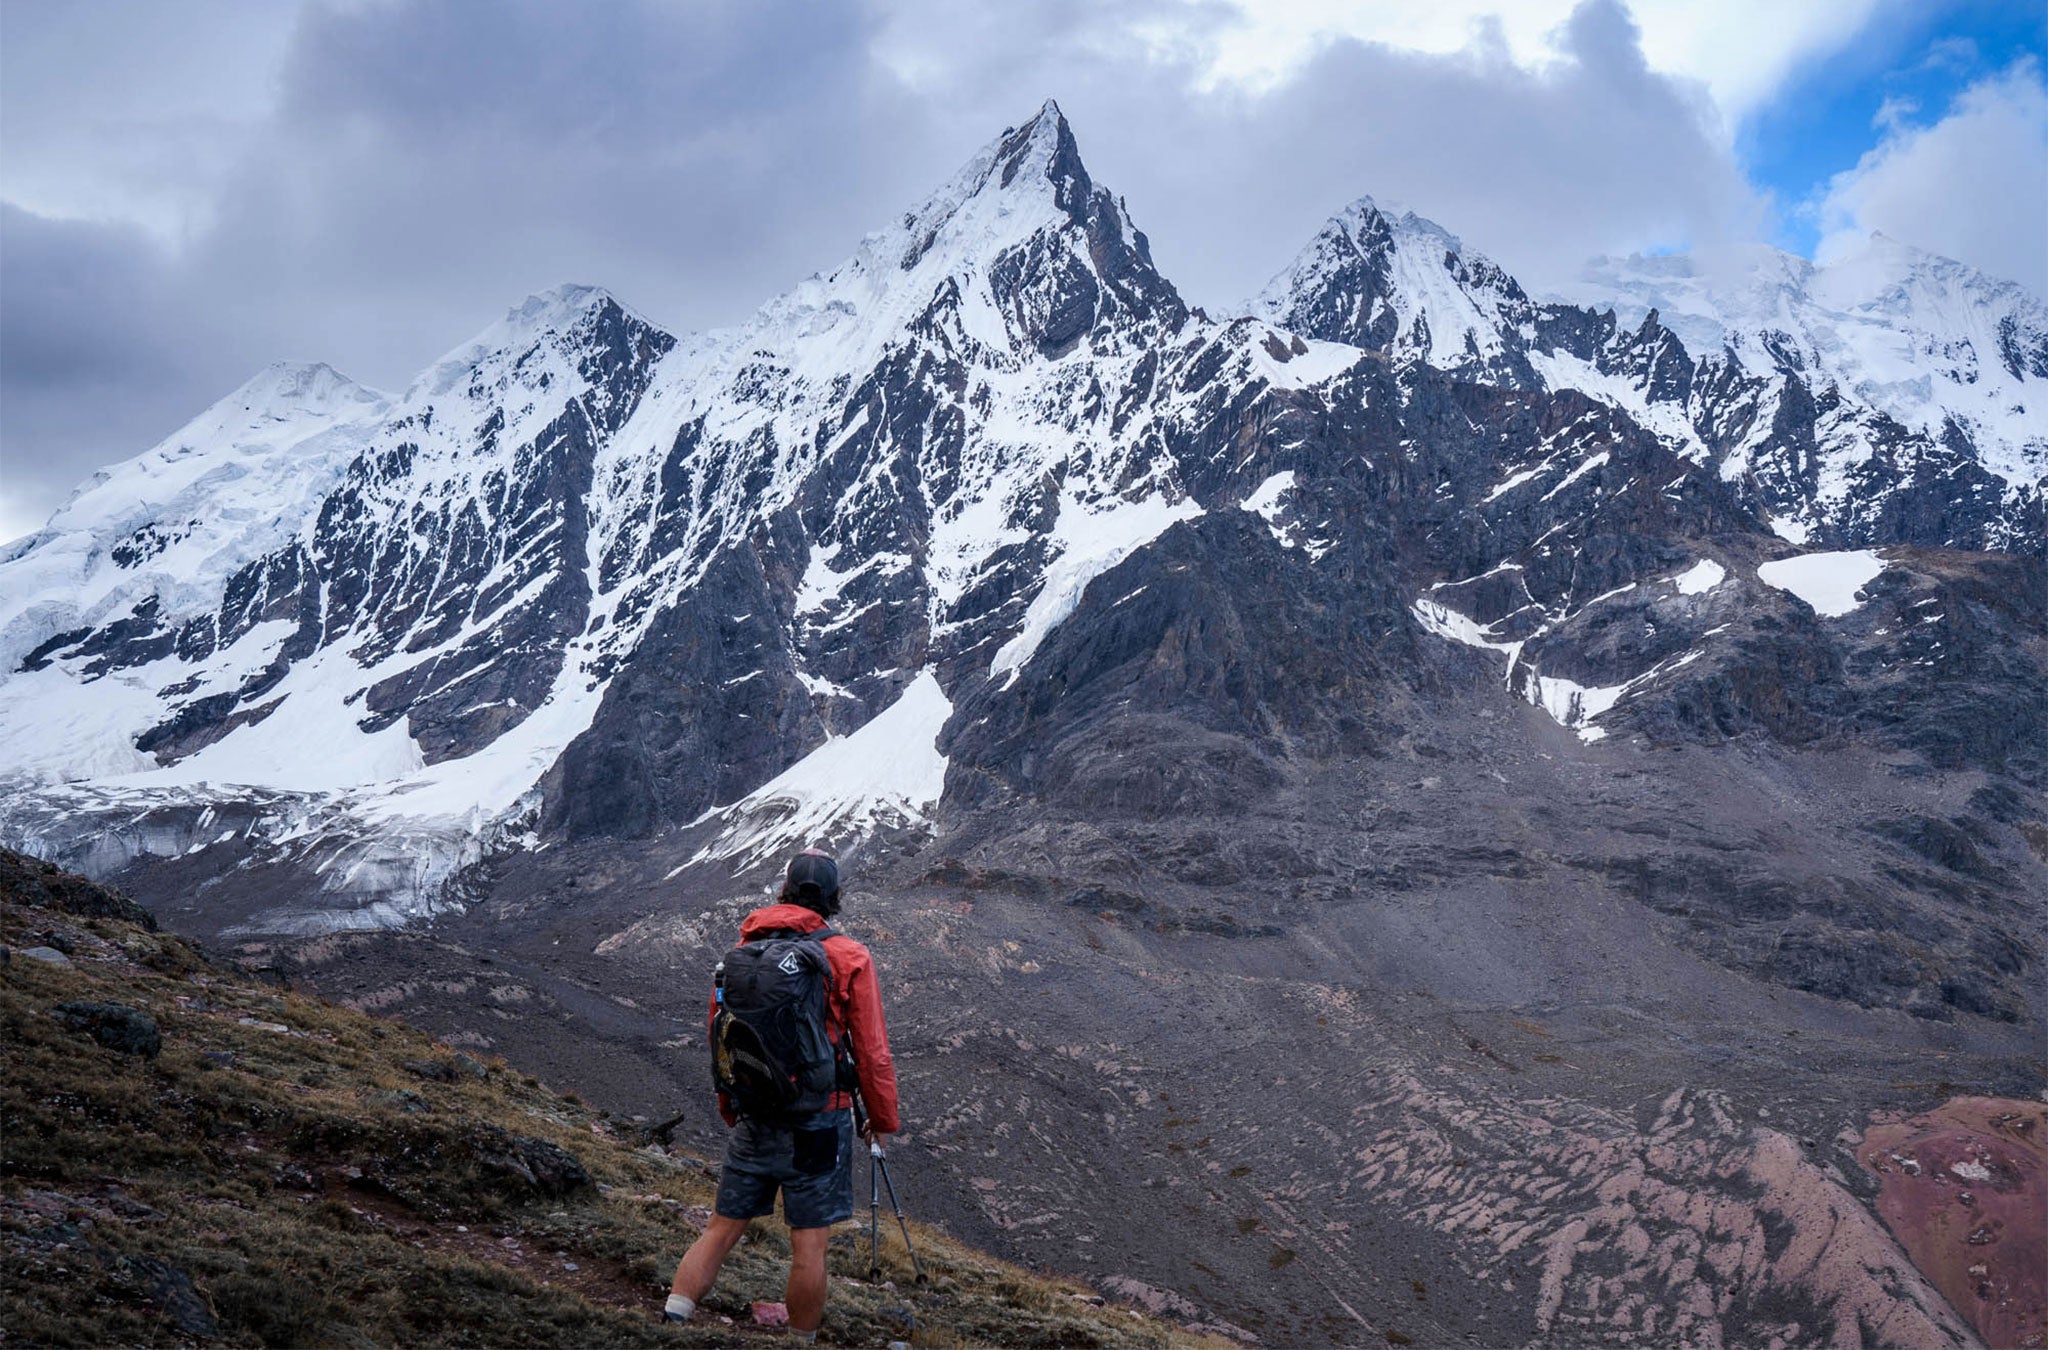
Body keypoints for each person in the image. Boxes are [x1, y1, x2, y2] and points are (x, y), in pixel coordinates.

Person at [664, 848, 901, 1340]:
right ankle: (801, 1340)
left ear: (783, 891)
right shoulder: (848, 955)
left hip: (756, 1113)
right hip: (819, 1120)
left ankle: (672, 1320)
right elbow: (873, 1052)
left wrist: (732, 1105)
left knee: (721, 1229)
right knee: (810, 1246)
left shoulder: (743, 954)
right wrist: (880, 1119)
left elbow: (720, 1036)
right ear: (834, 899)